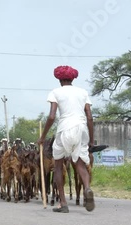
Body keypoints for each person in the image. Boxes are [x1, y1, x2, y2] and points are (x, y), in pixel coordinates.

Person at [37, 65, 95, 213]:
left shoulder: (55, 92)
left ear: (59, 79)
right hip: (82, 130)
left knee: (58, 166)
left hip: (65, 130)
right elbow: (89, 116)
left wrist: (42, 137)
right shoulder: (83, 93)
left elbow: (51, 116)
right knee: (81, 165)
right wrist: (91, 139)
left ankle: (63, 203)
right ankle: (87, 189)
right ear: (72, 78)